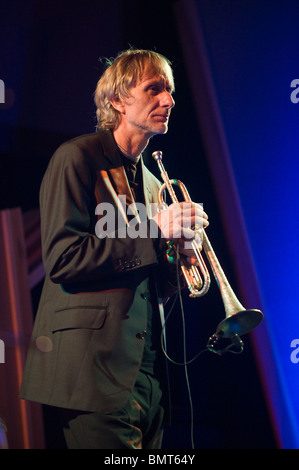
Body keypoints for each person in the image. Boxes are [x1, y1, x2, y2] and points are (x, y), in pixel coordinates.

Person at [20, 48, 209, 449]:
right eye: (154, 89)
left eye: (170, 91)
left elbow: (156, 282)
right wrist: (155, 230)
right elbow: (64, 259)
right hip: (92, 371)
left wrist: (182, 254)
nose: (169, 100)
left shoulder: (157, 186)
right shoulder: (77, 158)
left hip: (147, 372)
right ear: (117, 100)